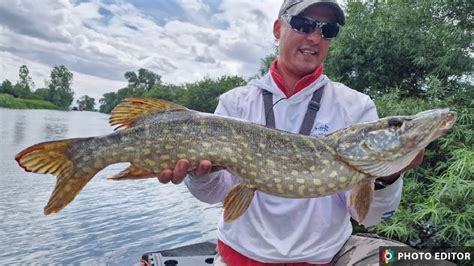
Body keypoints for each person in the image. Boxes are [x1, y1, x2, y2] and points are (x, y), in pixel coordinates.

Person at [158, 0, 424, 265]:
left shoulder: (355, 106)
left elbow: (369, 216)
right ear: (277, 28)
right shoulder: (236, 102)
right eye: (303, 24)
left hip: (321, 260)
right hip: (240, 258)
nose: (315, 37)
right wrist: (199, 176)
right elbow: (214, 194)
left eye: (327, 30)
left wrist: (387, 175)